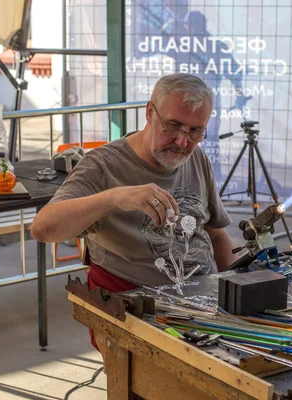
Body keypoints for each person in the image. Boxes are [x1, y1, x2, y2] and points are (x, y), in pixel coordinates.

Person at [32, 74, 239, 348]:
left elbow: (217, 235)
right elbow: (42, 228)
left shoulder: (196, 157)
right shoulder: (103, 166)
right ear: (150, 113)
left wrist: (240, 289)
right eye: (173, 126)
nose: (181, 141)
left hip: (201, 304)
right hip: (134, 308)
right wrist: (114, 198)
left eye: (195, 131)